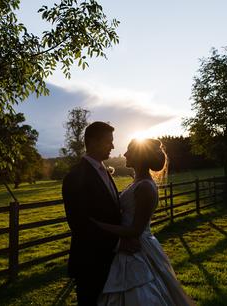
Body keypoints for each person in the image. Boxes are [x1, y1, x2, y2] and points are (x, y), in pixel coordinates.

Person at [93, 138, 196, 306]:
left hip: (138, 248)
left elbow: (135, 230)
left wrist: (99, 226)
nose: (125, 154)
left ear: (140, 156)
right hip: (129, 245)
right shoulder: (138, 182)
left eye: (129, 150)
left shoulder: (145, 187)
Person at [62, 122, 140, 306]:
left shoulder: (104, 171)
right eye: (108, 142)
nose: (113, 146)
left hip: (112, 261)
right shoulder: (75, 177)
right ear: (92, 142)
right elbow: (80, 223)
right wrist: (119, 242)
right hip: (90, 262)